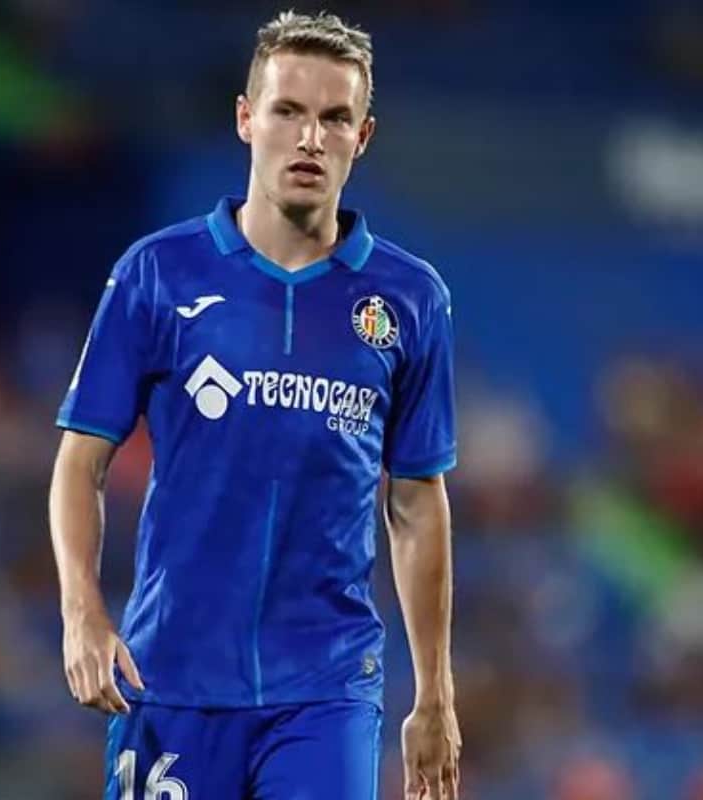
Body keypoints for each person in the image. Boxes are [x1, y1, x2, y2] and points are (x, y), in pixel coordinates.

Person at [48, 10, 460, 799]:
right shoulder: (158, 274)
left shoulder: (409, 300)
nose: (310, 139)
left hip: (327, 688)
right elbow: (80, 461)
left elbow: (416, 500)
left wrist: (434, 694)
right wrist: (81, 612)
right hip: (172, 677)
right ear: (246, 118)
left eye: (334, 118)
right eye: (288, 111)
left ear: (363, 136)